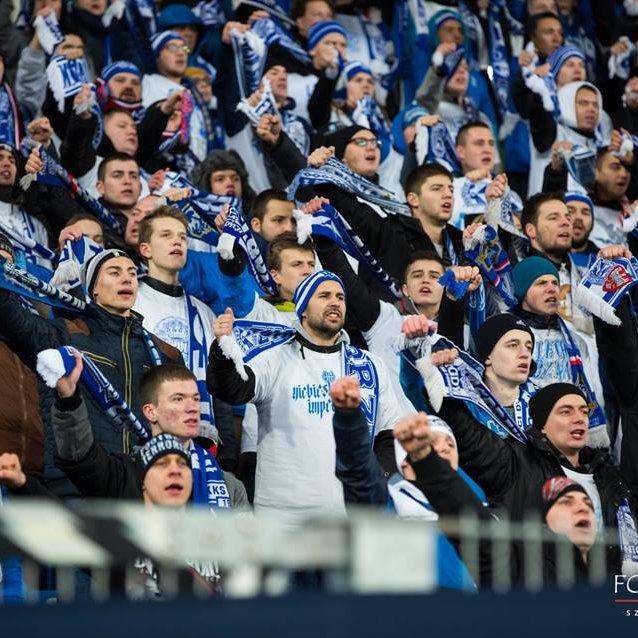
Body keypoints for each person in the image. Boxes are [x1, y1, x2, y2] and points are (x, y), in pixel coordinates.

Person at [207, 270, 408, 524]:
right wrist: (223, 349)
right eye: (324, 296)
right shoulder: (276, 356)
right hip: (282, 520)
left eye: (340, 297)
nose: (335, 302)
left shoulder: (368, 365)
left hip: (349, 521)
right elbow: (232, 389)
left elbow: (389, 433)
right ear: (302, 309)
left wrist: (379, 478)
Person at [0, 247, 182, 497]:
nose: (126, 278)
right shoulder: (65, 334)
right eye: (114, 272)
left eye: (131, 273)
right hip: (76, 485)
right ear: (93, 288)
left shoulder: (164, 353)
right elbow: (18, 326)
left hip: (140, 487)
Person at [394, 411, 604, 586]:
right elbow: (469, 521)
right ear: (543, 519)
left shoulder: (609, 582)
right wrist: (427, 460)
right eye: (567, 502)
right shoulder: (520, 568)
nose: (582, 509)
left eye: (587, 503)